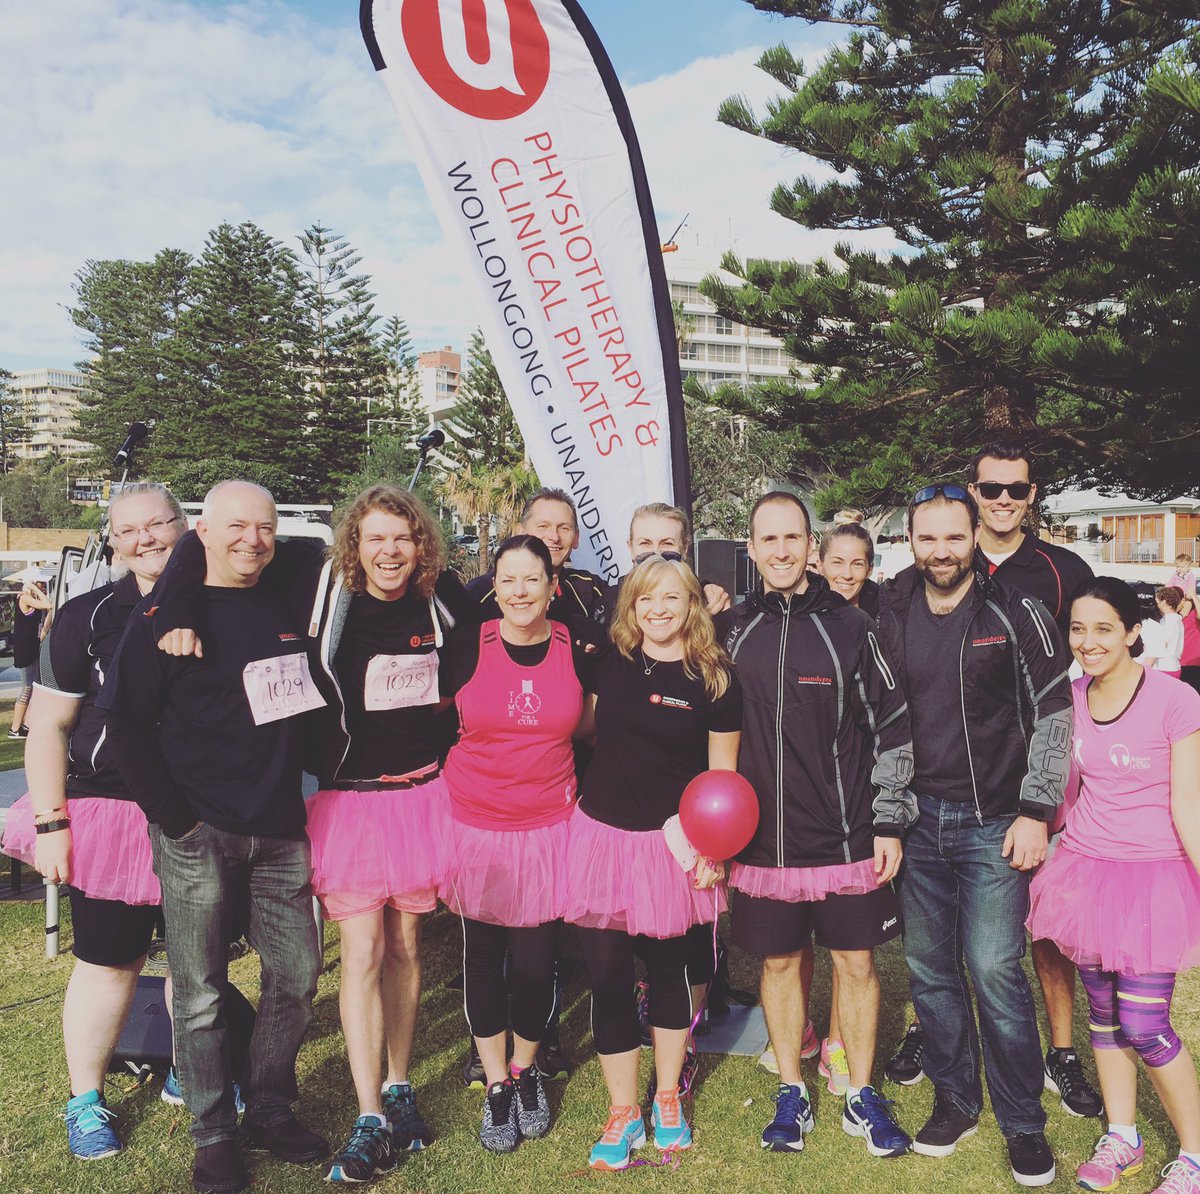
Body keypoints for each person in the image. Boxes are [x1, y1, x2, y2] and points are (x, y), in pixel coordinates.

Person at [102, 481, 327, 1194]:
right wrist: (175, 818)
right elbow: (124, 730)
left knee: (296, 976)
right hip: (198, 828)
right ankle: (214, 1137)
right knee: (198, 993)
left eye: (264, 527)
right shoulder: (160, 620)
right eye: (235, 527)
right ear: (202, 530)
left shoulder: (288, 592)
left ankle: (267, 1106)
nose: (252, 540)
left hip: (280, 830)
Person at [886, 443, 1100, 1109]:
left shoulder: (1017, 608)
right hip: (918, 825)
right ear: (911, 541)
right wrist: (887, 817)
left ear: (975, 536)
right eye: (929, 538)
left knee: (993, 968)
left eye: (954, 536)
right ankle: (955, 1100)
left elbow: (1054, 712)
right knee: (928, 970)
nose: (942, 549)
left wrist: (1036, 810)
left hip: (996, 826)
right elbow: (883, 719)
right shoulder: (890, 607)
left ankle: (1023, 1118)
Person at [717, 492, 916, 1160]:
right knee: (778, 962)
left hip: (847, 835)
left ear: (811, 546)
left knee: (856, 963)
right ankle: (792, 1090)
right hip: (763, 842)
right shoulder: (730, 630)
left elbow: (892, 727)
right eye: (767, 539)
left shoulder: (853, 626)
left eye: (792, 538)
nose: (780, 551)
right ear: (751, 548)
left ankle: (860, 1094)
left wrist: (888, 822)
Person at [1, 484, 184, 1160]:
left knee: (196, 966)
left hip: (200, 818)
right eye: (127, 531)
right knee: (109, 965)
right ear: (113, 541)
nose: (144, 540)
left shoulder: (227, 606)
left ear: (183, 526)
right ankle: (85, 1101)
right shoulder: (87, 616)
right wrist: (51, 823)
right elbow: (47, 724)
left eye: (157, 525)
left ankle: (191, 1077)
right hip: (108, 815)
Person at [298, 486, 466, 1181]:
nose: (390, 551)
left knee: (405, 946)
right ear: (355, 545)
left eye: (402, 538)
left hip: (422, 797)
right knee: (361, 949)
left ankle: (399, 1087)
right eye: (376, 539)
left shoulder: (441, 600)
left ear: (420, 544)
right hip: (352, 803)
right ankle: (367, 1115)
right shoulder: (331, 603)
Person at [563, 556, 740, 1170]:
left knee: (668, 973)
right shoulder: (607, 663)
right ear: (631, 607)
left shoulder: (715, 680)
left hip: (671, 849)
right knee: (609, 979)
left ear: (693, 605)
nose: (659, 610)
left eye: (672, 598)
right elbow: (580, 727)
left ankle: (666, 1097)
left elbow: (723, 777)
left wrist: (714, 850)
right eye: (646, 599)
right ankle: (622, 1111)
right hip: (600, 839)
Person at [1027, 577, 1200, 1194]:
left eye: (1104, 629)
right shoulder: (1066, 699)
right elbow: (1064, 796)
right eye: (1078, 629)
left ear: (1132, 633)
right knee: (1103, 1017)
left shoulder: (1176, 700)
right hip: (1083, 871)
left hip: (1154, 878)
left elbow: (1189, 803)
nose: (1089, 641)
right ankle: (1122, 1136)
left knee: (1146, 1022)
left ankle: (1195, 1155)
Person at [441, 534, 596, 1155]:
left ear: (552, 586)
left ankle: (528, 1070)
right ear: (493, 586)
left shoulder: (575, 646)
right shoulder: (466, 645)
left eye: (532, 579)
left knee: (536, 962)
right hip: (475, 824)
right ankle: (497, 1082)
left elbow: (589, 723)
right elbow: (434, 719)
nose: (520, 592)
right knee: (483, 956)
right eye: (508, 580)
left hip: (548, 825)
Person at [466, 488, 611, 626]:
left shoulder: (588, 588)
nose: (554, 537)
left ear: (576, 538)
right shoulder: (479, 594)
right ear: (521, 532)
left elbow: (627, 604)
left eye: (564, 528)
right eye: (543, 526)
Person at [9, 576, 52, 737]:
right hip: (24, 648)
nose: (42, 586)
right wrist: (34, 589)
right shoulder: (25, 598)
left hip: (32, 646)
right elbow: (48, 604)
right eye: (40, 583)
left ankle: (26, 724)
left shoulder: (32, 599)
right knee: (26, 688)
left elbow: (49, 611)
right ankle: (14, 728)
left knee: (33, 687)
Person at [1152, 586, 1186, 678]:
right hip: (1174, 666)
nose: (1157, 605)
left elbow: (1162, 644)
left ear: (1164, 602)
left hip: (1165, 667)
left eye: (1157, 602)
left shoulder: (1169, 621)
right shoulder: (1178, 620)